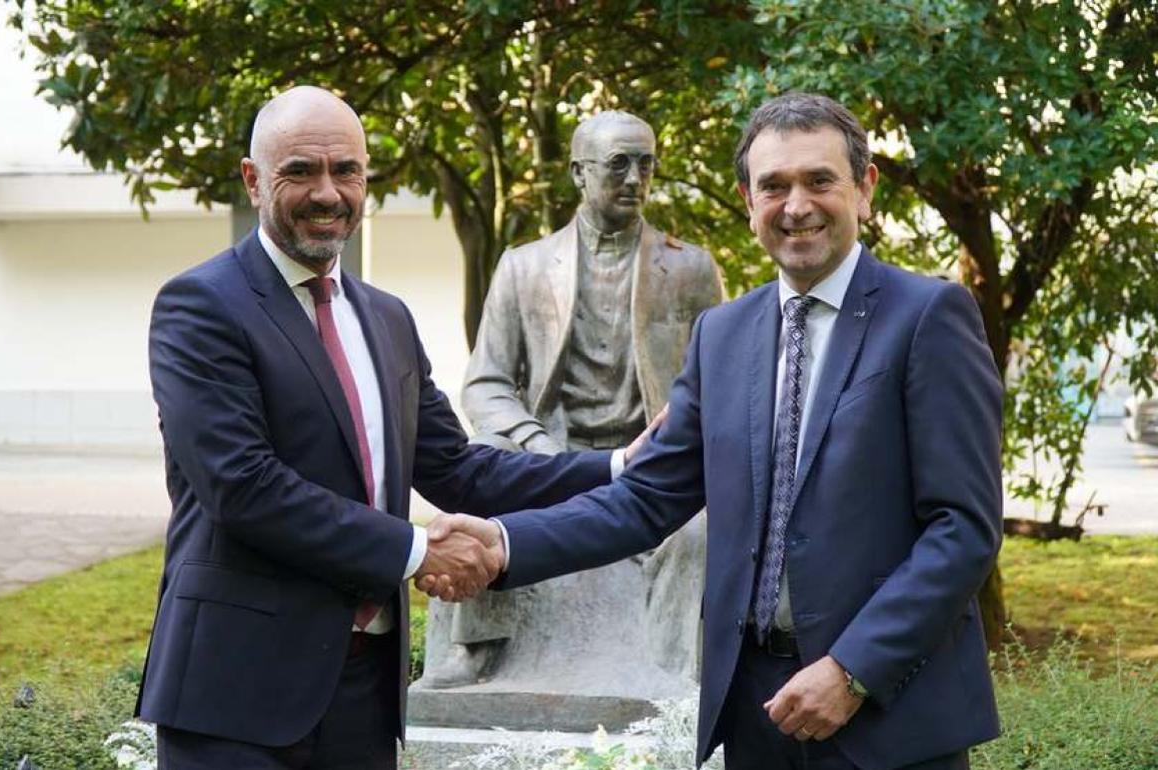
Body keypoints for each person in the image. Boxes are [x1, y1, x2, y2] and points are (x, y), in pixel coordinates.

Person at [426, 92, 1004, 769]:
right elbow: (644, 499)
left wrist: (852, 670)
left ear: (864, 188)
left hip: (890, 716)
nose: (797, 205)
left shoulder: (929, 316)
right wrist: (501, 544)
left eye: (820, 180)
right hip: (756, 711)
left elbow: (962, 528)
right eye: (774, 186)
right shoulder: (723, 335)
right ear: (747, 198)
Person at [136, 85, 648, 770]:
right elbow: (244, 488)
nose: (328, 192)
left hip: (365, 692)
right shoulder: (200, 306)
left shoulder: (387, 319)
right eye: (301, 171)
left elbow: (458, 468)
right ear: (253, 181)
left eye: (346, 170)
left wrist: (618, 465)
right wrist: (417, 551)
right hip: (236, 693)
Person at [426, 111, 722, 688]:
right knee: (482, 471)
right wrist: (534, 443)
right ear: (578, 174)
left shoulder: (690, 268)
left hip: (650, 461)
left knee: (706, 515)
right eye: (618, 165)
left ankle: (674, 671)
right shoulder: (523, 266)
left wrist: (667, 447)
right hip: (550, 451)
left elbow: (716, 385)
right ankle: (476, 650)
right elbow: (485, 383)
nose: (635, 178)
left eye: (646, 163)